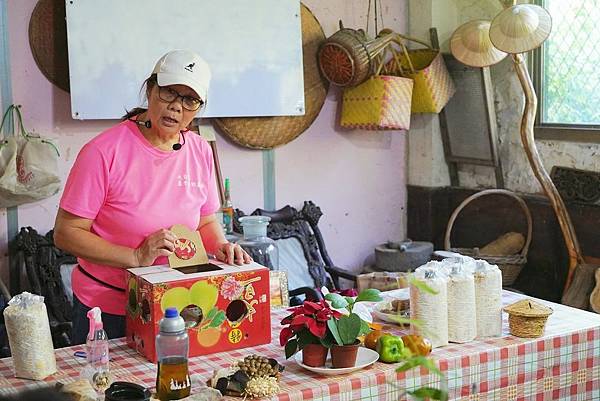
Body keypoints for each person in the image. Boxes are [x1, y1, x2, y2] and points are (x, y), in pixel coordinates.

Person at [54, 49, 251, 345]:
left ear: (199, 106)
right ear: (150, 90)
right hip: (111, 311)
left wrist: (221, 245)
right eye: (169, 93)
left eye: (189, 100)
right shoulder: (103, 152)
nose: (176, 108)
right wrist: (134, 257)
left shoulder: (199, 150)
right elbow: (66, 234)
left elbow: (205, 221)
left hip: (182, 306)